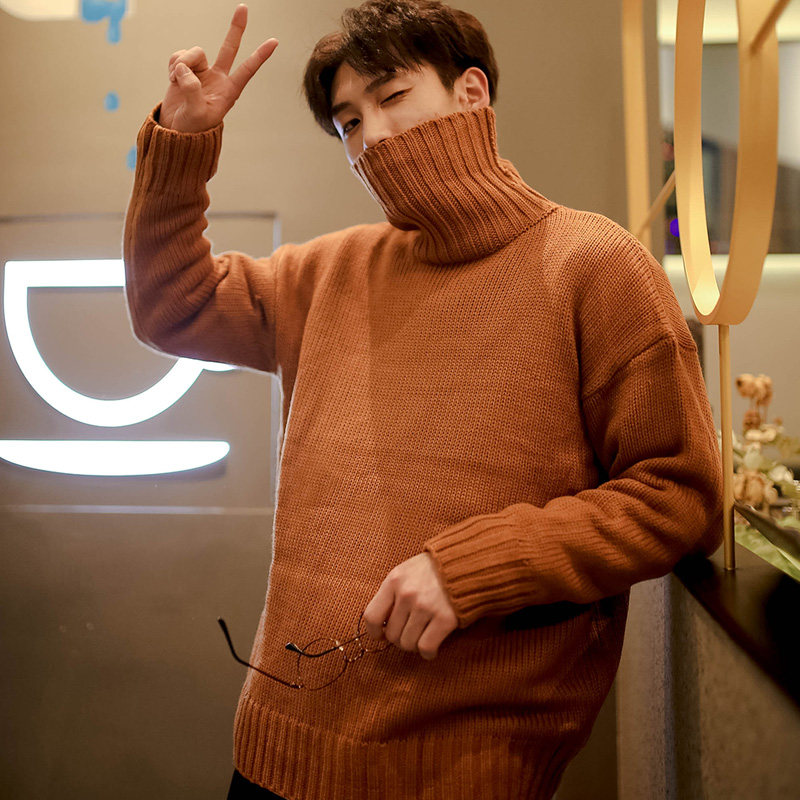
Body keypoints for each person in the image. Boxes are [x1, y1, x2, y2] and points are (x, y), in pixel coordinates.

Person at [123, 2, 723, 798]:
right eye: (348, 122)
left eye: (392, 95)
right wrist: (181, 146)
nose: (369, 136)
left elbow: (679, 496)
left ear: (471, 92)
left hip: (462, 769)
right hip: (273, 749)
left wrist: (475, 567)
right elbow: (173, 305)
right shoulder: (330, 272)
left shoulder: (594, 265)